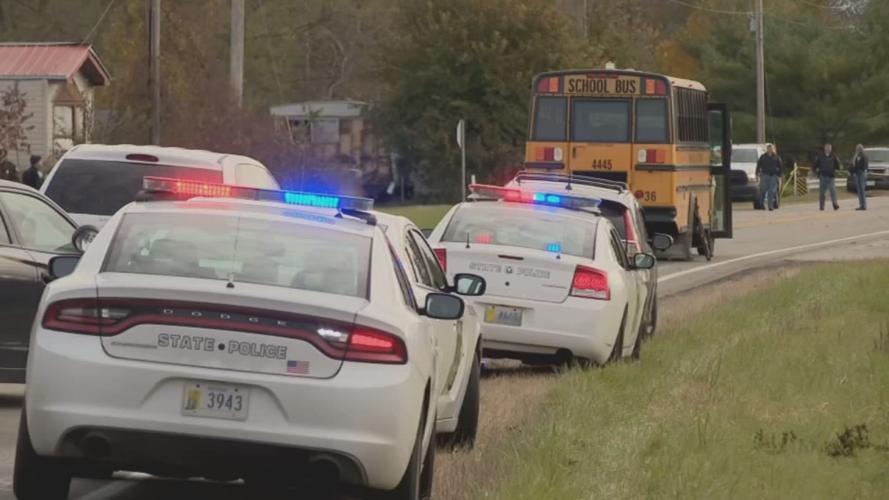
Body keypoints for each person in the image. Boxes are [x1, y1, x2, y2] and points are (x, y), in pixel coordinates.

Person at [813, 143, 841, 211]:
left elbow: (838, 165)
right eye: (827, 147)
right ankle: (822, 206)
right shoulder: (820, 156)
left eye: (830, 148)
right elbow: (815, 165)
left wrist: (837, 168)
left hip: (831, 176)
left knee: (833, 190)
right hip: (823, 176)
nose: (828, 149)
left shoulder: (834, 156)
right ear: (825, 148)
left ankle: (835, 204)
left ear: (831, 149)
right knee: (822, 192)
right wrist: (814, 171)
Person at [755, 143, 783, 211]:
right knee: (763, 190)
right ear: (767, 149)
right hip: (765, 175)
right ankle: (761, 204)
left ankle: (770, 206)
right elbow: (758, 165)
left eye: (771, 148)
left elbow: (780, 166)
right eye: (769, 148)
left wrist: (780, 175)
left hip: (773, 175)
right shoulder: (763, 157)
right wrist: (757, 173)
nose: (770, 149)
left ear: (773, 149)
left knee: (771, 191)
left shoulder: (776, 157)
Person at [850, 144, 868, 211]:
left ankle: (864, 205)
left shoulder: (864, 155)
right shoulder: (856, 156)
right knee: (859, 190)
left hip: (861, 173)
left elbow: (865, 165)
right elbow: (854, 165)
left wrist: (861, 170)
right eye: (857, 148)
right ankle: (861, 205)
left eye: (859, 148)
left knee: (861, 190)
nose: (858, 149)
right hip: (857, 173)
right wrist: (853, 171)